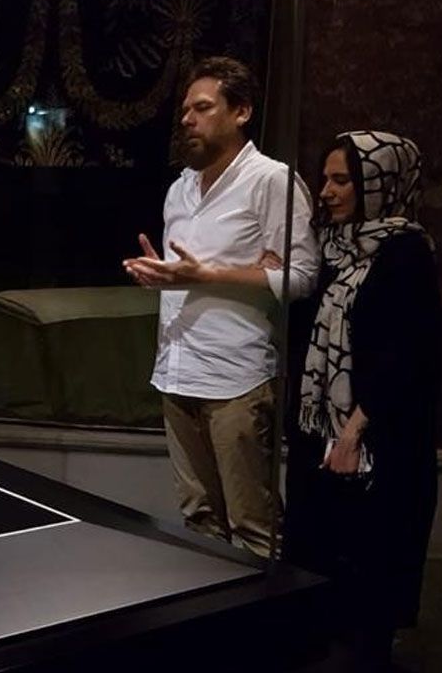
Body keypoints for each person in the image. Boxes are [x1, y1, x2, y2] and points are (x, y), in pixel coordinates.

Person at [123, 56, 319, 558]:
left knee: (252, 525)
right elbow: (188, 274)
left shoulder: (271, 181)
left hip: (236, 378)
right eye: (185, 110)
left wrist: (208, 275)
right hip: (177, 371)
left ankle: (266, 612)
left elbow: (302, 276)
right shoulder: (180, 189)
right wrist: (162, 277)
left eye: (203, 107)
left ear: (241, 111)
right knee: (197, 520)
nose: (187, 119)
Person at [285, 131, 442, 670]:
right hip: (320, 432)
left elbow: (410, 354)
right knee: (316, 551)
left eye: (342, 180)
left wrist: (354, 431)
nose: (326, 191)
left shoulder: (406, 253)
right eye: (325, 178)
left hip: (378, 435)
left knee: (370, 563)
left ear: (381, 184)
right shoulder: (333, 248)